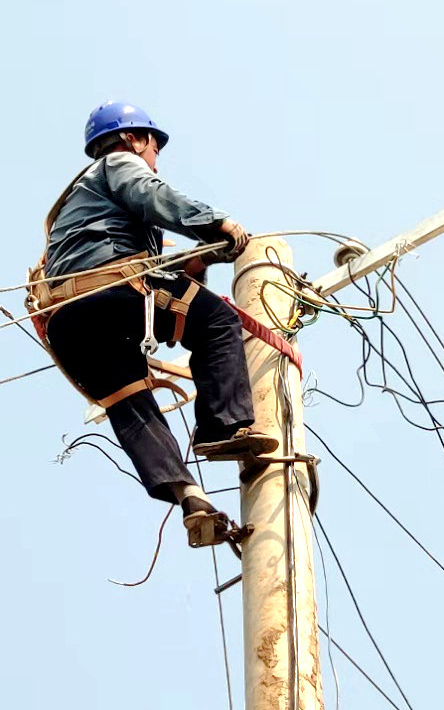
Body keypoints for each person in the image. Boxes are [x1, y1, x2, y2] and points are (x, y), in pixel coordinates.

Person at [31, 100, 275, 547]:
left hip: (69, 322)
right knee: (217, 321)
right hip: (113, 291)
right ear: (133, 138)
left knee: (130, 403)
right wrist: (216, 223)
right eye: (154, 148)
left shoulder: (79, 207)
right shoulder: (117, 163)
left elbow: (138, 257)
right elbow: (152, 195)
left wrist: (199, 260)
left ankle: (191, 498)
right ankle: (224, 428)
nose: (155, 159)